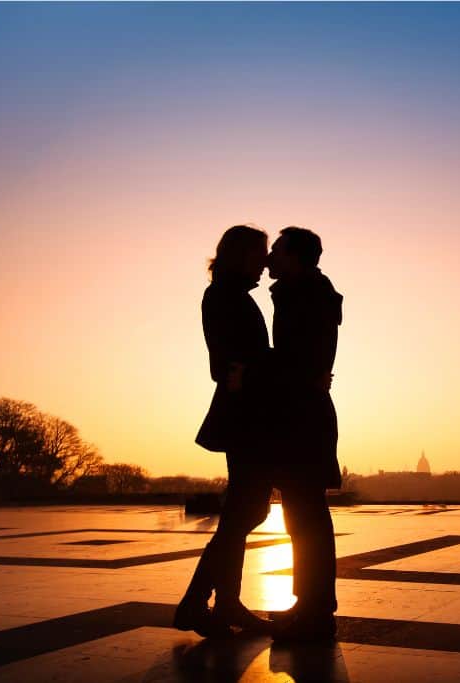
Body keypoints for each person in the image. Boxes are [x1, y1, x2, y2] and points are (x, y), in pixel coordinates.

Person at [174, 225, 274, 638]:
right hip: (247, 414)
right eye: (260, 254)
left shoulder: (227, 294)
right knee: (245, 512)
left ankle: (214, 603)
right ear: (242, 256)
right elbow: (231, 360)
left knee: (244, 511)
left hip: (244, 411)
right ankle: (202, 603)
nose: (265, 262)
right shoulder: (228, 297)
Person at [266, 226, 343, 641]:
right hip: (303, 411)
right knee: (302, 516)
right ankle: (309, 604)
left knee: (306, 516)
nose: (269, 257)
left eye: (276, 250)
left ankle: (316, 611)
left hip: (302, 415)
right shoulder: (307, 292)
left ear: (295, 257)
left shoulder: (305, 296)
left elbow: (299, 361)